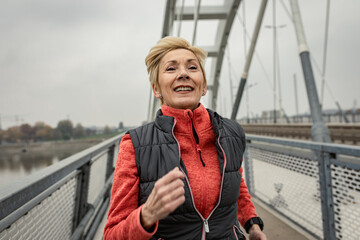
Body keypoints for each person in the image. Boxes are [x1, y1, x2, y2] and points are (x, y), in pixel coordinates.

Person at [104, 36, 266, 240]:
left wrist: (252, 225)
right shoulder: (135, 145)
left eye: (192, 67)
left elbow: (237, 186)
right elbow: (111, 235)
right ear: (156, 89)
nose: (183, 74)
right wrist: (145, 217)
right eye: (171, 69)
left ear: (204, 85)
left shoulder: (231, 133)